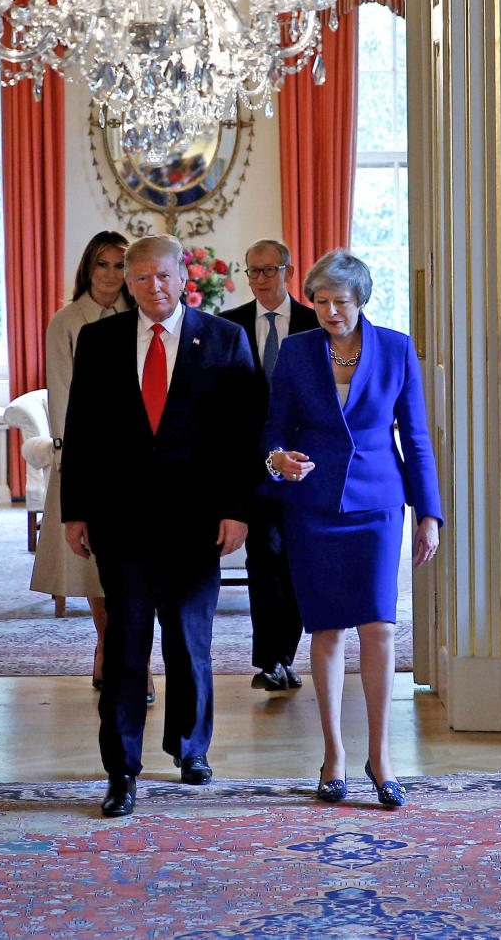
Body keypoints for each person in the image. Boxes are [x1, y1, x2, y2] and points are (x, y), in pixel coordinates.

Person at [61, 234, 258, 817]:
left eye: (163, 277)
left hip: (198, 520)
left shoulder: (224, 340)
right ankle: (120, 770)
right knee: (125, 645)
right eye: (139, 277)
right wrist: (76, 511)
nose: (153, 287)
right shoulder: (99, 341)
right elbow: (84, 432)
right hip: (121, 521)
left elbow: (244, 435)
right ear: (127, 280)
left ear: (183, 278)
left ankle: (191, 749)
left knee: (189, 640)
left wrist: (237, 508)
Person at [262, 248, 442, 809]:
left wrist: (428, 513)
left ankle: (381, 757)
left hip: (378, 505)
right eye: (320, 300)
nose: (330, 311)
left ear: (361, 301)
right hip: (312, 505)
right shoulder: (294, 352)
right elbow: (273, 429)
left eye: (341, 301)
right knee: (327, 632)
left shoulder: (396, 347)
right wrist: (276, 461)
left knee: (379, 628)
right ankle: (334, 756)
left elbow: (414, 437)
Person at [31, 230, 151, 698]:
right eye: (102, 264)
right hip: (85, 457)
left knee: (139, 566)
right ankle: (107, 645)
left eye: (120, 265)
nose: (111, 274)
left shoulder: (142, 317)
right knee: (93, 568)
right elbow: (61, 395)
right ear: (88, 268)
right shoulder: (66, 321)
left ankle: (135, 657)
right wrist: (69, 459)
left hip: (139, 461)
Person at [223, 238, 319, 691]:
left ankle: (286, 653)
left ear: (288, 271)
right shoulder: (229, 327)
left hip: (303, 462)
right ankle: (271, 661)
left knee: (298, 559)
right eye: (252, 271)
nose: (260, 279)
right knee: (263, 558)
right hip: (251, 464)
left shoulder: (314, 322)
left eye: (269, 270)